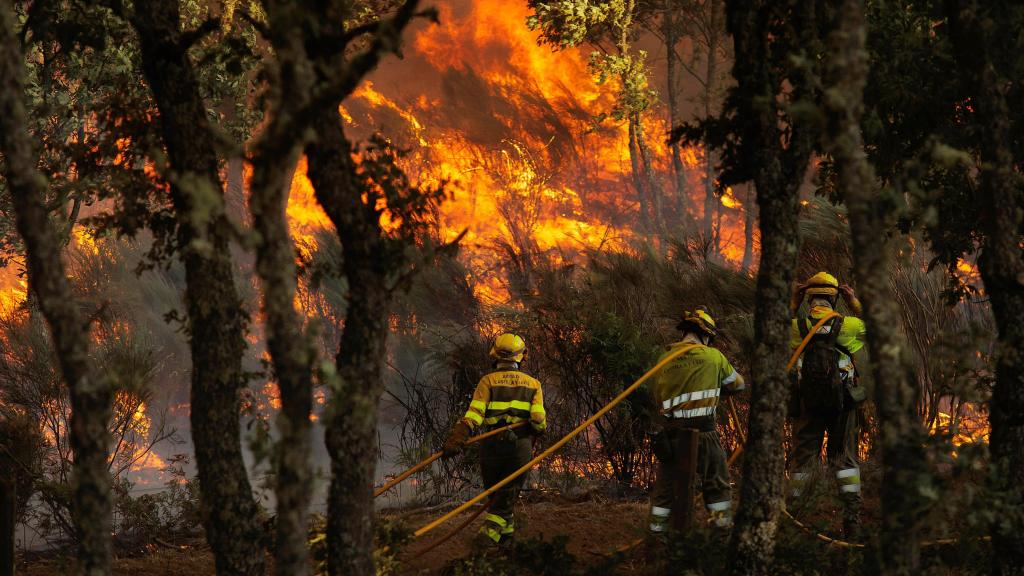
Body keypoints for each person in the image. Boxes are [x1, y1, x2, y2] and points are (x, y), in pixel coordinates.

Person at [644, 308, 745, 534]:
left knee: (665, 491)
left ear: (685, 334)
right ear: (705, 335)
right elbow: (739, 385)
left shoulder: (664, 358)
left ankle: (656, 538)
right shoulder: (714, 356)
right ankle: (721, 534)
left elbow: (657, 395)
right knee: (717, 484)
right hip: (704, 434)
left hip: (672, 436)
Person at [442, 333, 546, 546]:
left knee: (495, 490)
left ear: (495, 354)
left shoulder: (487, 381)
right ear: (522, 357)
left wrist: (460, 434)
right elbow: (538, 421)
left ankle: (495, 536)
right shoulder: (533, 384)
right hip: (519, 445)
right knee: (507, 492)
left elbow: (475, 415)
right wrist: (535, 428)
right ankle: (499, 535)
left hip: (491, 444)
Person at [788, 271, 867, 538]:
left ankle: (796, 520)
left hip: (807, 403)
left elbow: (771, 330)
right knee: (845, 460)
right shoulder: (850, 325)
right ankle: (852, 522)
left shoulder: (796, 327)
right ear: (836, 299)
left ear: (808, 298)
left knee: (802, 462)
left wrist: (793, 301)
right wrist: (854, 300)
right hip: (842, 403)